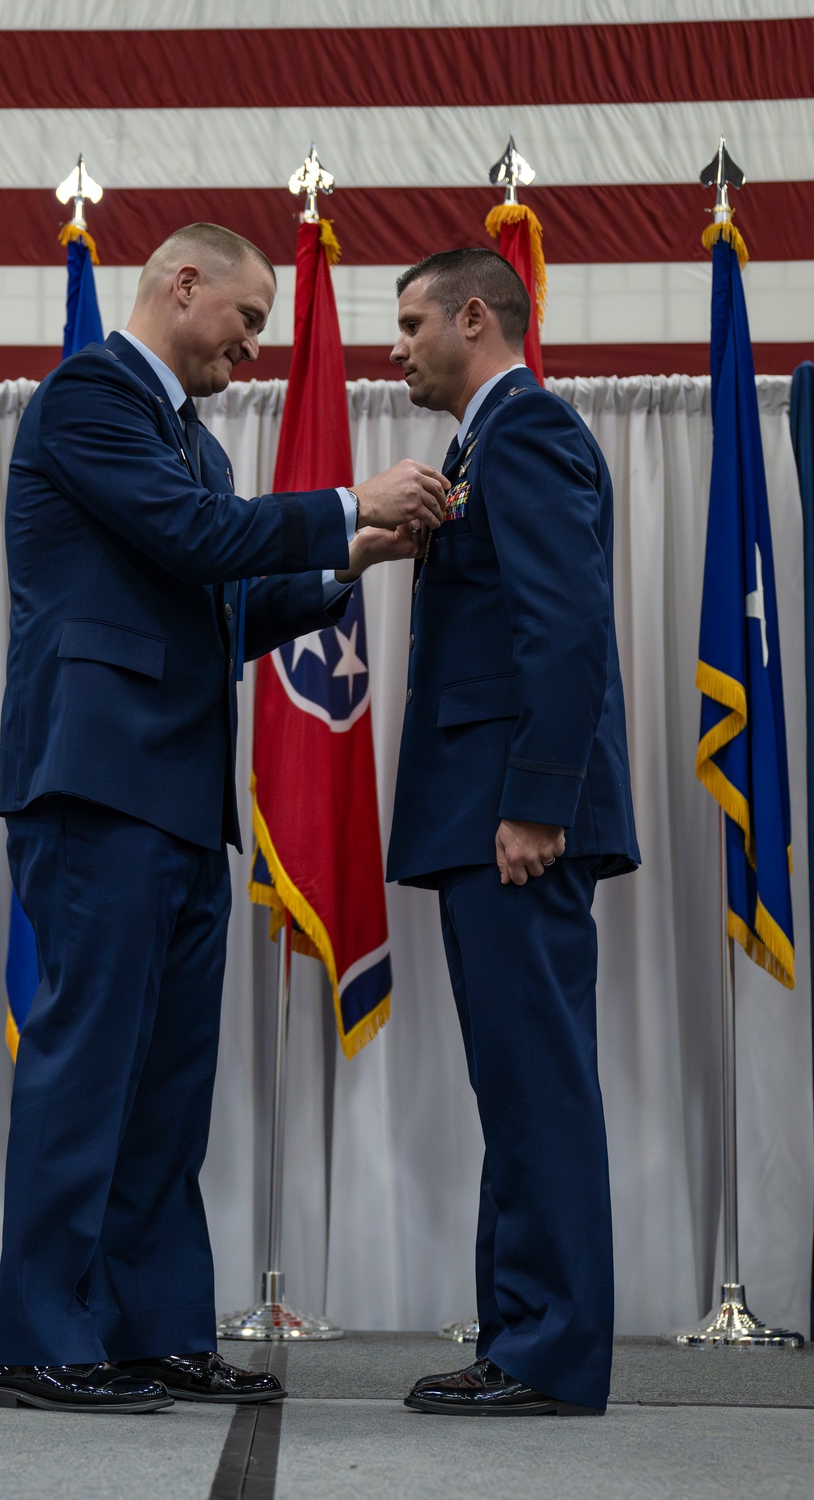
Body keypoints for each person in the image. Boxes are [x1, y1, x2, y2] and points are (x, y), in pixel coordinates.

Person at [0, 223, 448, 1413]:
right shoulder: (87, 398)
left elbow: (218, 611)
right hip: (95, 784)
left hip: (182, 799)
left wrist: (354, 555)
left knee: (168, 1084)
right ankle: (33, 1340)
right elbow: (192, 542)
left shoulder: (191, 441)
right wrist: (345, 494)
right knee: (89, 1067)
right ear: (180, 286)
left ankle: (149, 1330)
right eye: (244, 321)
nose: (251, 349)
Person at [386, 248, 640, 1417]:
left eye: (408, 321)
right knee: (515, 1081)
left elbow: (567, 625)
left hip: (515, 818)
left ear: (472, 316)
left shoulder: (524, 429)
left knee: (534, 1080)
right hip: (488, 814)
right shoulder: (478, 447)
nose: (395, 346)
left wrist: (536, 799)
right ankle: (522, 1335)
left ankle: (547, 1352)